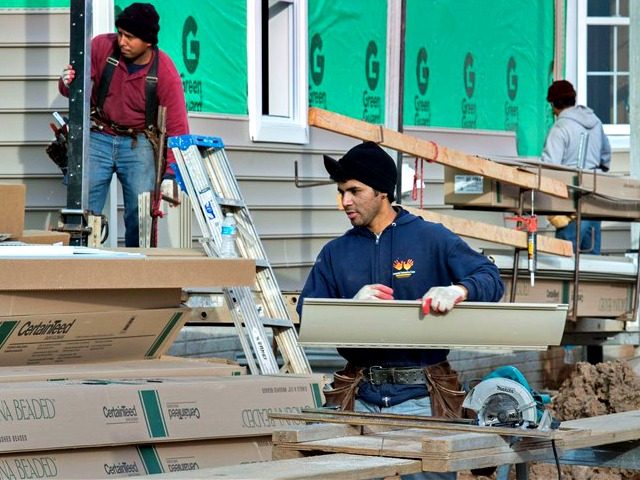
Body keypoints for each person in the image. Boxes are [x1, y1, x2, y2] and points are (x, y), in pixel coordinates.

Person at [296, 141, 504, 479]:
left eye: (353, 191)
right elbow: (308, 314)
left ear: (381, 192)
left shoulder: (431, 239)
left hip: (421, 399)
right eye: (341, 192)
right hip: (359, 399)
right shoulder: (336, 252)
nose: (344, 201)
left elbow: (490, 278)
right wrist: (349, 309)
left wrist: (458, 289)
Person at [58, 2, 189, 247]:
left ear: (148, 42)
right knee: (84, 210)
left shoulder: (166, 73)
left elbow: (177, 127)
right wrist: (66, 82)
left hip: (137, 142)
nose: (122, 41)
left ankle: (136, 273)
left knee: (141, 214)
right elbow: (73, 90)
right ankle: (80, 269)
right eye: (120, 33)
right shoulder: (100, 47)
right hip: (98, 134)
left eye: (130, 37)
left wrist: (172, 175)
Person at [541, 80, 611, 255]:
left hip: (570, 207)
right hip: (595, 202)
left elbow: (549, 167)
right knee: (592, 267)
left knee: (566, 263)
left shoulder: (560, 128)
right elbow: (606, 157)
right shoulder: (595, 122)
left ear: (554, 104)